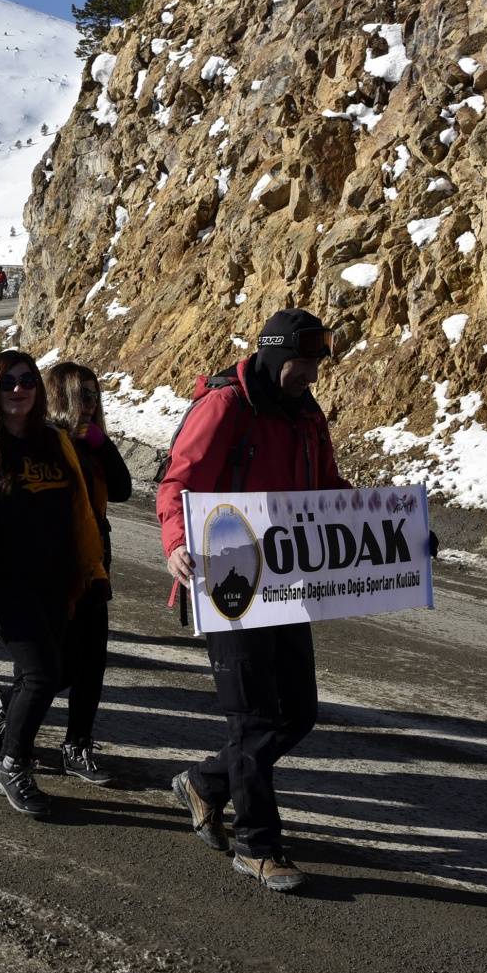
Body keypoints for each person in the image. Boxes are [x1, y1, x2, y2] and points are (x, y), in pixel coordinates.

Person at [158, 309, 350, 892]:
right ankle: (257, 846)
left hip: (286, 586)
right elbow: (177, 482)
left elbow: (329, 490)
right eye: (302, 363)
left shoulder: (307, 414)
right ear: (274, 354)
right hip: (227, 581)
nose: (311, 375)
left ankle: (205, 783)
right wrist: (176, 542)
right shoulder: (226, 406)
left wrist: (400, 530)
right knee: (254, 718)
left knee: (298, 712)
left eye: (317, 365)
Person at [0, 352, 108, 816]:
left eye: (27, 380)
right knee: (41, 675)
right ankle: (12, 765)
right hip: (6, 584)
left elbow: (82, 514)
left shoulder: (57, 441)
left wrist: (94, 570)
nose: (19, 389)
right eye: (7, 382)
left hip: (56, 581)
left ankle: (2, 708)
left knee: (66, 670)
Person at [42, 361, 133, 784]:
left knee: (93, 661)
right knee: (58, 663)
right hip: (57, 566)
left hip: (96, 564)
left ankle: (77, 744)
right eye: (83, 395)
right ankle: (5, 710)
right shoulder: (46, 442)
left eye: (96, 395)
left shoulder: (92, 442)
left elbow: (123, 489)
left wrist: (101, 442)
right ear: (60, 397)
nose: (92, 403)